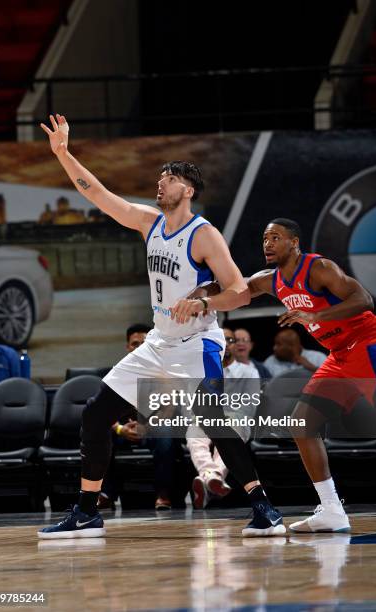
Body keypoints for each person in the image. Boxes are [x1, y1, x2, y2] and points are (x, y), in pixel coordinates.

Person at [38, 114, 285, 539]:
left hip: (196, 343)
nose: (160, 183)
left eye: (168, 179)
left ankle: (264, 507)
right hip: (158, 342)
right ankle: (86, 510)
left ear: (187, 190)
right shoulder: (149, 222)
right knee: (97, 415)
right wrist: (64, 154)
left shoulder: (204, 234)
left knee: (212, 421)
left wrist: (202, 302)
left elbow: (240, 292)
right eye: (160, 178)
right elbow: (98, 194)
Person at [245, 217, 376, 532]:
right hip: (339, 356)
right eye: (265, 238)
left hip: (369, 343)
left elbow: (363, 299)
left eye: (275, 237)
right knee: (303, 423)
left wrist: (316, 315)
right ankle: (332, 510)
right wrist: (201, 296)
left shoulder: (319, 268)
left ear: (294, 242)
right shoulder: (271, 280)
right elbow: (237, 289)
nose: (267, 244)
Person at [99, 323, 181, 511]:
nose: (138, 347)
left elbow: (168, 410)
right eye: (134, 344)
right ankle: (105, 494)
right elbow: (102, 411)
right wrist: (119, 429)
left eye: (143, 343)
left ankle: (163, 494)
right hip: (123, 430)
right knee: (100, 432)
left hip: (153, 429)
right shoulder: (116, 373)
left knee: (166, 433)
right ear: (127, 347)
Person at [188, 327, 260, 508]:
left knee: (229, 432)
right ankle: (213, 478)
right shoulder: (201, 373)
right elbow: (190, 405)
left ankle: (210, 477)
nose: (225, 344)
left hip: (237, 419)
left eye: (229, 340)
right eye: (220, 340)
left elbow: (249, 407)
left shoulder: (249, 372)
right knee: (193, 434)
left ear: (235, 345)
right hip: (206, 418)